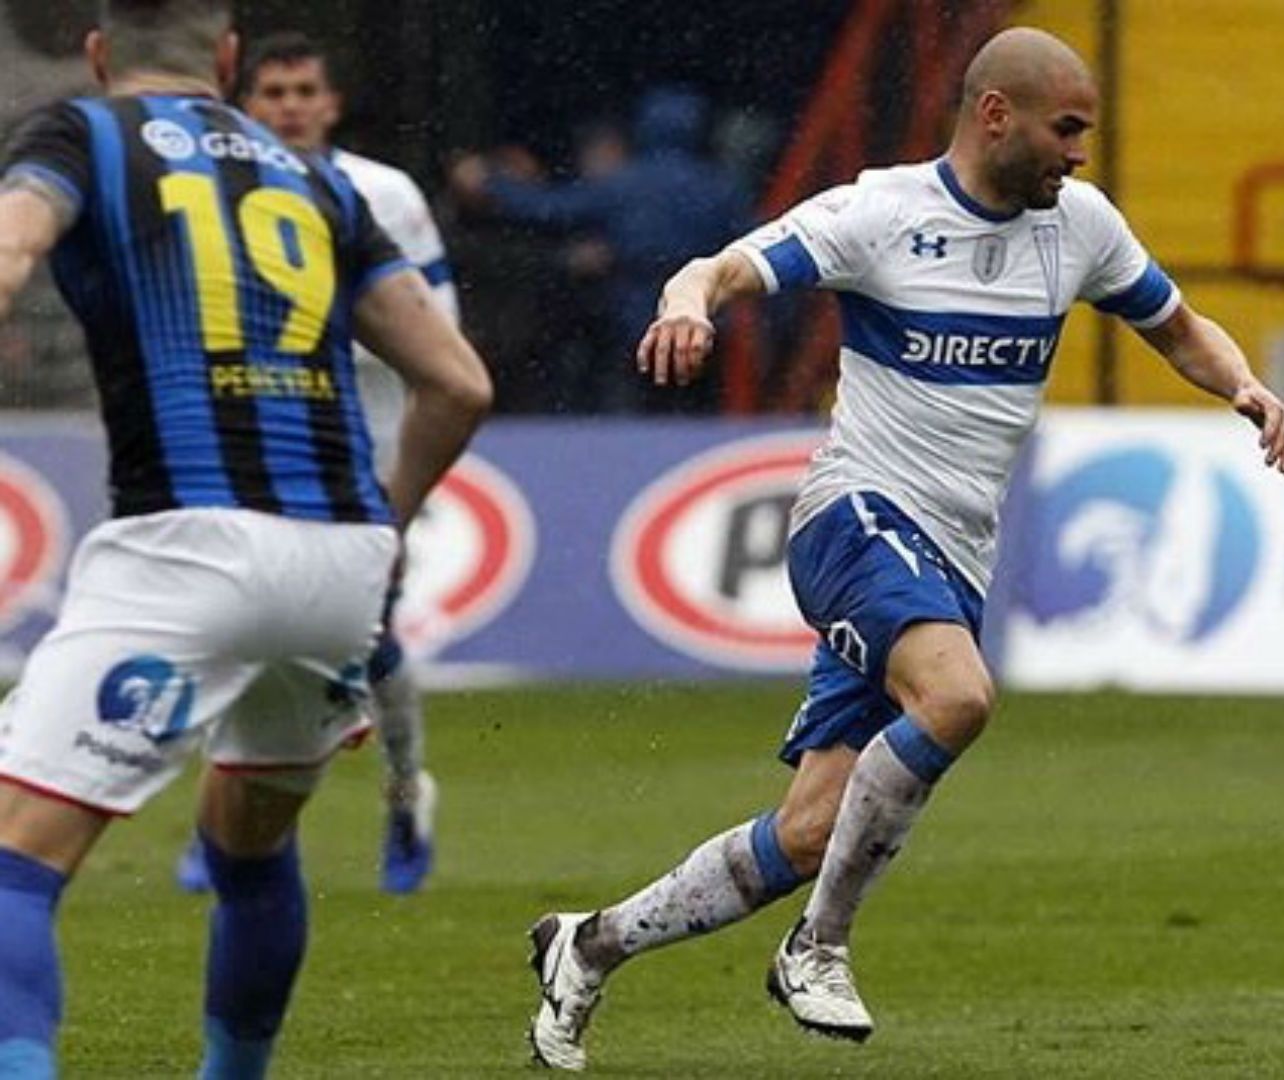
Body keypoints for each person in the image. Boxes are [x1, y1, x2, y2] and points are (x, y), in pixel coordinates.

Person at [524, 26, 1284, 1070]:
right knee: (961, 697)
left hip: (950, 560)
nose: (1080, 154)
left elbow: (1178, 325)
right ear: (995, 115)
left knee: (809, 833)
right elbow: (722, 267)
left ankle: (590, 944)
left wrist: (1242, 384)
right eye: (1066, 131)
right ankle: (819, 948)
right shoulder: (879, 214)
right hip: (853, 516)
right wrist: (685, 307)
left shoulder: (1081, 228)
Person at [0, 2, 490, 1076]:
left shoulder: (79, 135)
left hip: (188, 543)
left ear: (96, 54)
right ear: (227, 63)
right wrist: (386, 522)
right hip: (338, 562)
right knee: (249, 846)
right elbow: (457, 382)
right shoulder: (319, 178)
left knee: (14, 867)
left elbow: (8, 258)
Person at [169, 29, 459, 897]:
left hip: (360, 454)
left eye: (305, 91)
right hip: (246, 446)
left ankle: (406, 795)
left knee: (370, 646)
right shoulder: (207, 191)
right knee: (229, 631)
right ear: (245, 104)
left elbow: (435, 335)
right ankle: (220, 819)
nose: (290, 106)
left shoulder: (382, 195)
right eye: (274, 93)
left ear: (330, 104)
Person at [449, 86, 752, 413]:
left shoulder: (624, 184)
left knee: (629, 406)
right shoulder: (722, 189)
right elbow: (750, 245)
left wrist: (491, 184)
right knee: (699, 410)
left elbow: (550, 209)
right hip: (704, 320)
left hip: (633, 318)